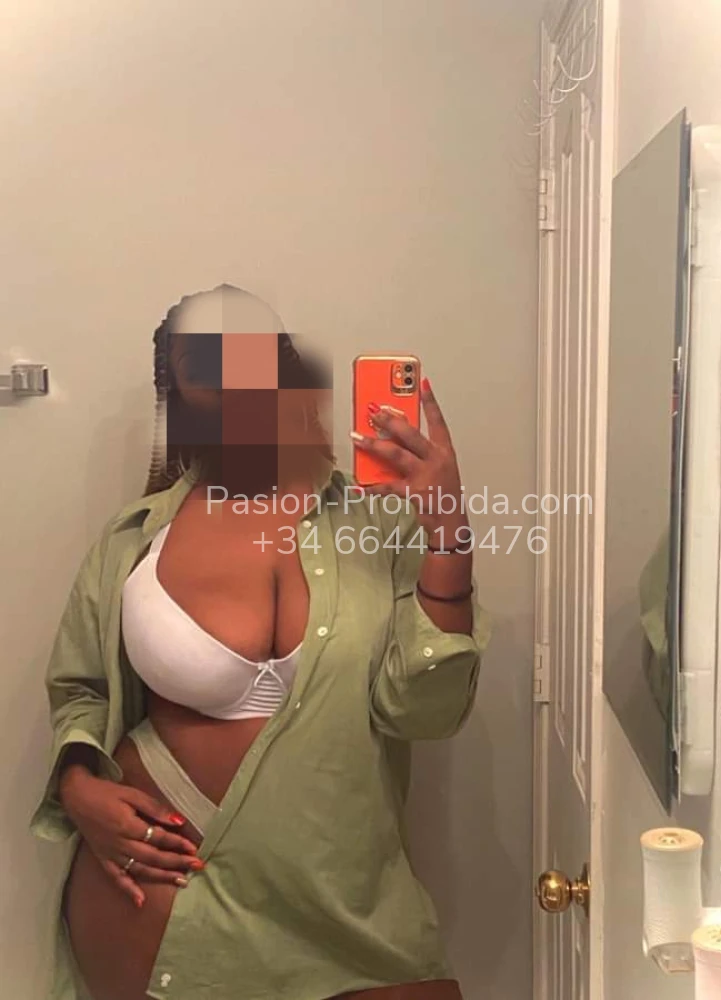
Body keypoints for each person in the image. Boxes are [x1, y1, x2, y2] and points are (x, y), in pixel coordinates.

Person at [30, 284, 491, 1000]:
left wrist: (447, 532)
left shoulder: (379, 525)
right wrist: (79, 788)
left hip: (344, 901)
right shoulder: (134, 541)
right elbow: (81, 690)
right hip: (164, 891)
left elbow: (422, 713)